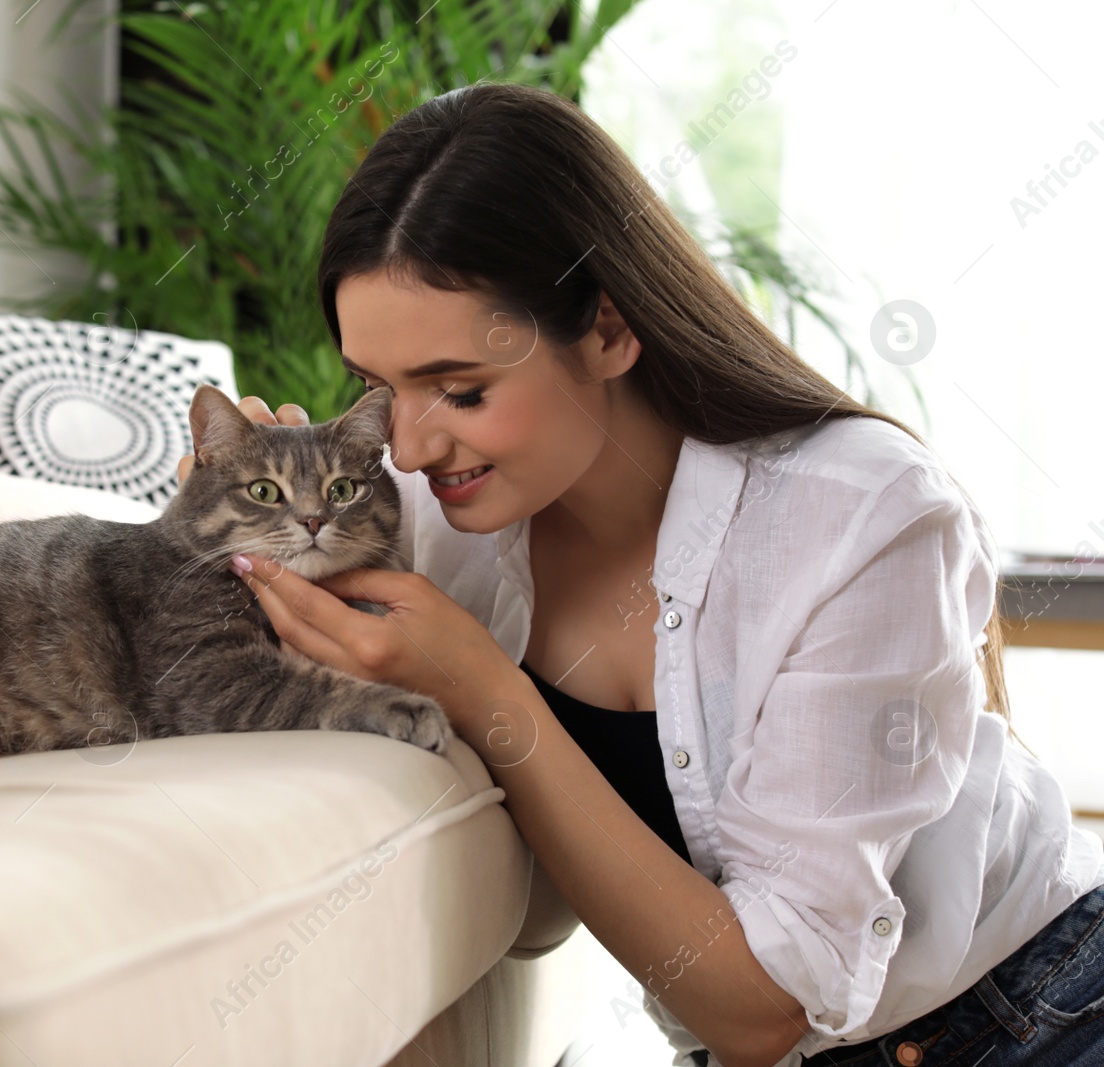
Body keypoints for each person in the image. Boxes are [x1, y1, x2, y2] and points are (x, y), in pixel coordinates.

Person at [179, 83, 1104, 1066]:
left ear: (611, 330)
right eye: (375, 386)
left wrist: (487, 690)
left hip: (1032, 1018)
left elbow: (767, 1009)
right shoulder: (428, 511)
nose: (405, 446)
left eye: (462, 389)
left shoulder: (861, 516)